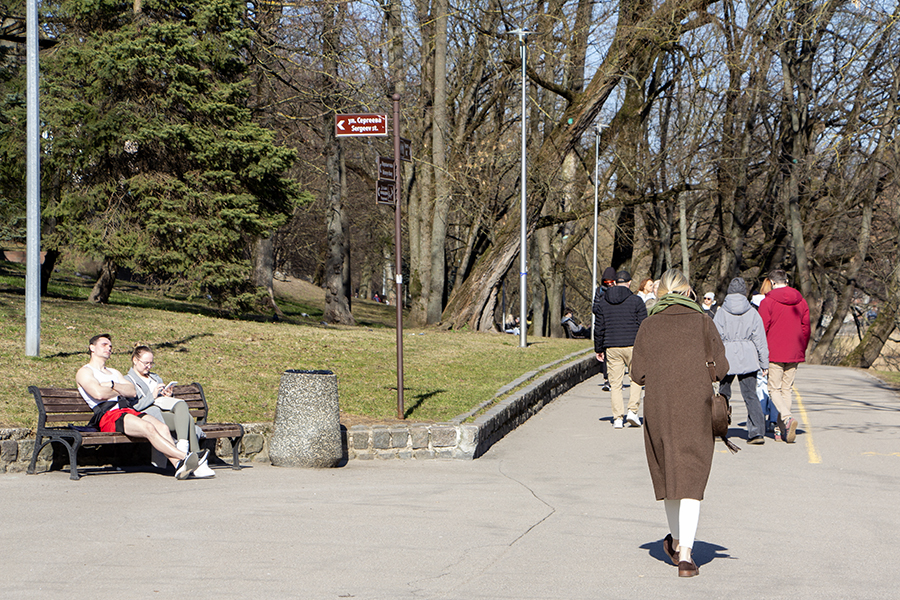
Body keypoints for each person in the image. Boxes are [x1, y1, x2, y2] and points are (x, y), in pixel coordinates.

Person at [630, 268, 729, 578]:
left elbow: (637, 374)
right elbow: (722, 369)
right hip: (696, 410)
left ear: (660, 293)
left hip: (660, 409)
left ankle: (675, 542)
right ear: (688, 293)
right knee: (691, 480)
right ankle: (685, 554)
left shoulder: (648, 325)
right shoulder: (703, 322)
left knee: (670, 478)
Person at [75, 334, 199, 479]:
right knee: (148, 428)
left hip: (127, 410)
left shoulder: (114, 372)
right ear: (92, 348)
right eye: (104, 344)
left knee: (162, 427)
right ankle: (185, 456)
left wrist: (112, 385)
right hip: (108, 415)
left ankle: (179, 466)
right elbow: (98, 394)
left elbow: (132, 391)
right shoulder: (85, 372)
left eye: (110, 346)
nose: (108, 348)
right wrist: (119, 389)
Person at [126, 346, 215, 478]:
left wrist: (168, 395)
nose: (149, 367)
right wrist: (153, 395)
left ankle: (189, 455)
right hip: (149, 415)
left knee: (185, 414)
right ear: (135, 360)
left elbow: (165, 401)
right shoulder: (128, 380)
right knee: (189, 420)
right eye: (146, 363)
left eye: (151, 363)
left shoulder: (156, 378)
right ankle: (197, 462)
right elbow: (134, 407)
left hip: (164, 410)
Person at [713, 277, 769, 444]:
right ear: (744, 292)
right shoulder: (752, 312)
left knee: (723, 394)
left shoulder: (721, 312)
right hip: (748, 358)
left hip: (726, 357)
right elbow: (760, 340)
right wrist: (764, 363)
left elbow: (714, 338)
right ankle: (757, 433)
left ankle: (719, 427)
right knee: (750, 395)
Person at [758, 269, 811, 444]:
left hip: (774, 351)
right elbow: (806, 328)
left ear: (772, 282)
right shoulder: (801, 301)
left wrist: (761, 354)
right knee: (786, 389)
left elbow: (762, 329)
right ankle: (782, 428)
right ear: (786, 281)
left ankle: (787, 418)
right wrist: (801, 348)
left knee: (774, 389)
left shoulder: (768, 302)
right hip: (794, 350)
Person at [593, 270, 648, 429]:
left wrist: (599, 348)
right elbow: (643, 326)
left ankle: (617, 418)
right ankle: (632, 411)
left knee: (615, 384)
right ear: (629, 283)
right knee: (636, 379)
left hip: (612, 345)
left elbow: (599, 328)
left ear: (615, 283)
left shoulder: (604, 302)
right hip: (633, 345)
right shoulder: (636, 301)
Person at [592, 267, 618, 391]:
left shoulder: (618, 291)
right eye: (606, 282)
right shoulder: (600, 291)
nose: (608, 284)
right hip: (604, 324)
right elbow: (595, 308)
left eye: (610, 282)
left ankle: (613, 379)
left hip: (614, 325)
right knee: (606, 353)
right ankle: (607, 379)